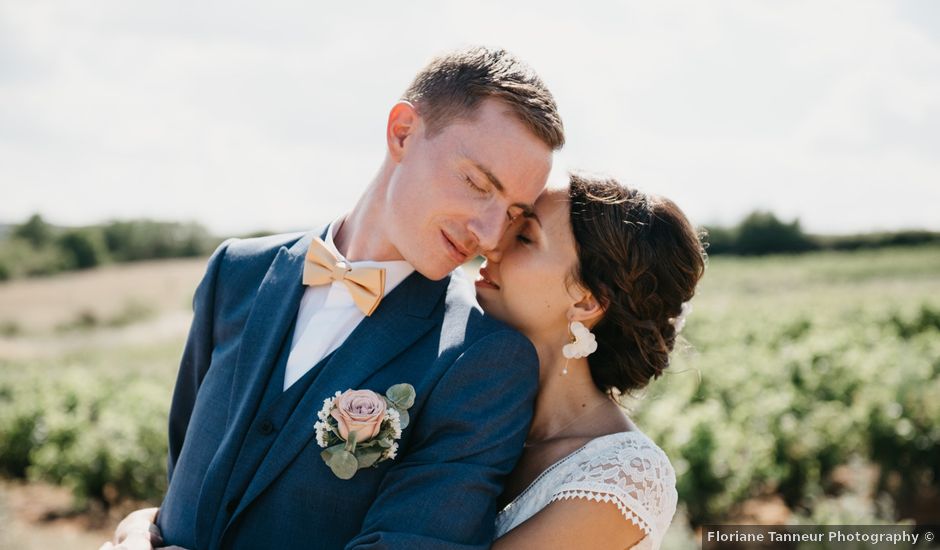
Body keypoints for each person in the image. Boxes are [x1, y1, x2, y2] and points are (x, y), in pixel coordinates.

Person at [103, 46, 564, 550]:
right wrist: (140, 527)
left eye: (515, 212)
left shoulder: (484, 358)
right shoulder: (236, 270)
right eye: (477, 183)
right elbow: (182, 482)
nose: (491, 234)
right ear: (403, 132)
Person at [481, 174, 706, 549]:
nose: (490, 244)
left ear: (586, 301)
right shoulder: (479, 416)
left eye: (524, 237)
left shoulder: (623, 477)